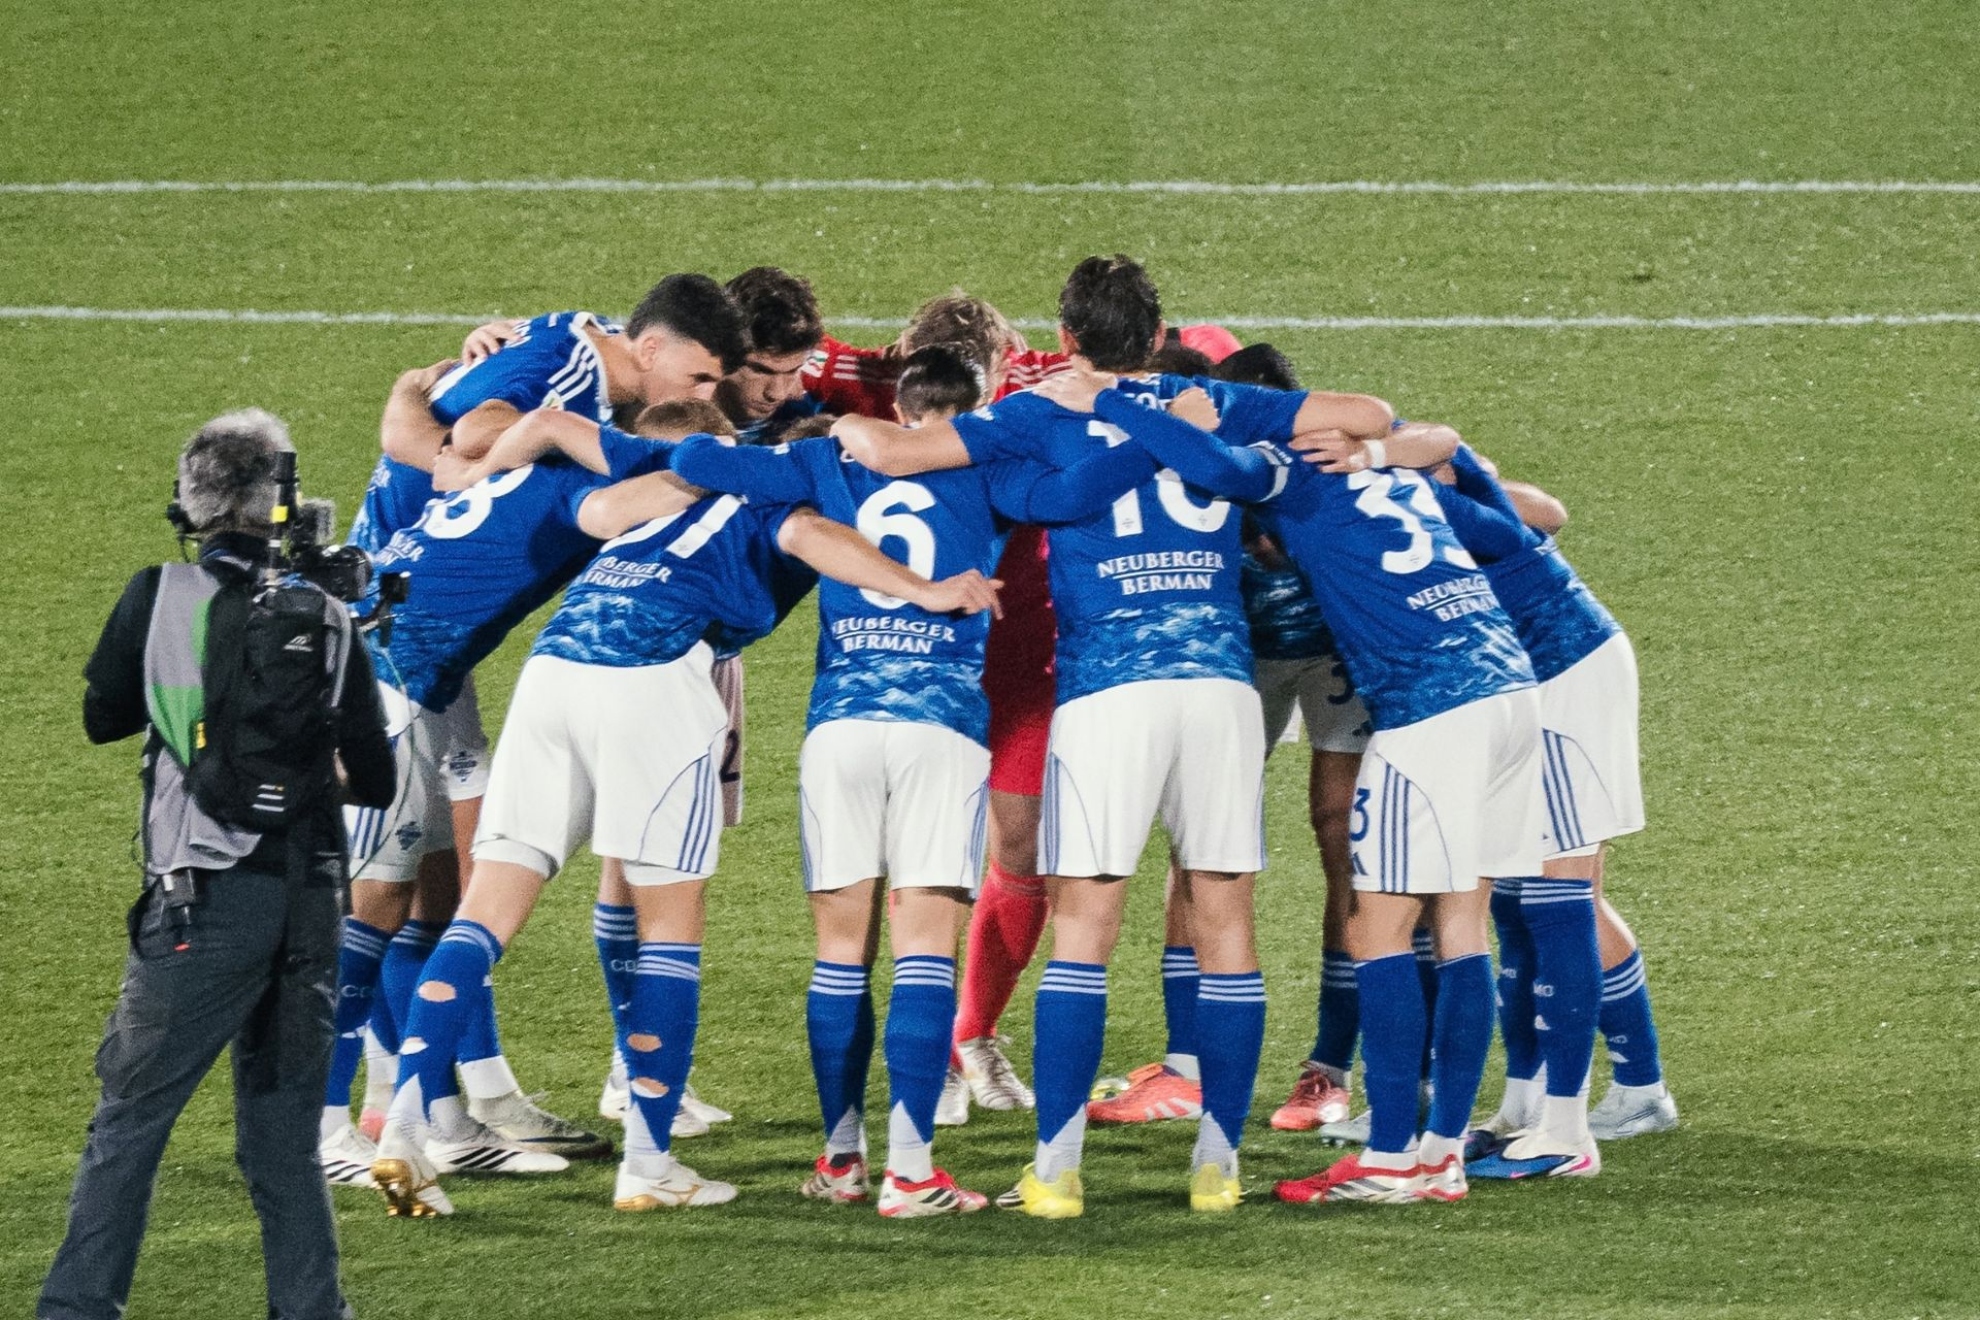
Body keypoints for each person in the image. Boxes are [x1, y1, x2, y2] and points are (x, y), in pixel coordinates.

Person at [835, 255, 1394, 1216]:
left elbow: (891, 457)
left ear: (1070, 333)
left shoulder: (1033, 412)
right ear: (1156, 328)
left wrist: (847, 422)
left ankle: (1054, 1174)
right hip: (1219, 688)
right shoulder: (1202, 399)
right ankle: (1217, 1168)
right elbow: (1370, 414)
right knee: (1228, 924)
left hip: (1108, 693)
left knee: (1086, 927)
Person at [674, 345, 1160, 1215]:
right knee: (925, 948)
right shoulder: (991, 471)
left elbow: (694, 459)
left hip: (841, 731)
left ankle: (839, 1160)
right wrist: (1153, 435)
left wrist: (798, 447)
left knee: (838, 952)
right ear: (969, 411)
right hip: (940, 731)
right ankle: (910, 1171)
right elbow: (1078, 495)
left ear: (897, 405)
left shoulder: (826, 461)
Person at [1064, 380, 1546, 1208]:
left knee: (1378, 927)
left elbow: (1206, 459)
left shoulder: (1286, 470)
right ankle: (1439, 1156)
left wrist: (1118, 401)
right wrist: (1382, 447)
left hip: (1433, 708)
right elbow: (1443, 436)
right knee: (1462, 922)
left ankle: (1391, 1158)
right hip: (1512, 693)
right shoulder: (1392, 470)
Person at [325, 277, 749, 1177]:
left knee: (436, 899)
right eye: (705, 381)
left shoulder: (571, 380)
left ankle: (442, 1116)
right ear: (654, 348)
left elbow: (461, 422)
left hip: (419, 661)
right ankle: (326, 1128)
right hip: (385, 665)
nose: (707, 397)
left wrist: (426, 392)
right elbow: (512, 440)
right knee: (369, 909)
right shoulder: (575, 415)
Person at [41, 411, 395, 1320]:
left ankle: (77, 1310)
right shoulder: (323, 614)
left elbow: (101, 717)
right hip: (311, 903)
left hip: (203, 905)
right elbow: (377, 776)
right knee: (281, 1144)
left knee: (131, 1121)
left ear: (193, 502)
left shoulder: (156, 596)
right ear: (279, 504)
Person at [1419, 445, 1663, 1177]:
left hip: (1565, 675)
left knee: (1561, 893)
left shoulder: (1390, 480)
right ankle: (1526, 1105)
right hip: (1513, 686)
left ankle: (1568, 1129)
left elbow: (1543, 511)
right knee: (1516, 895)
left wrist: (1438, 460)